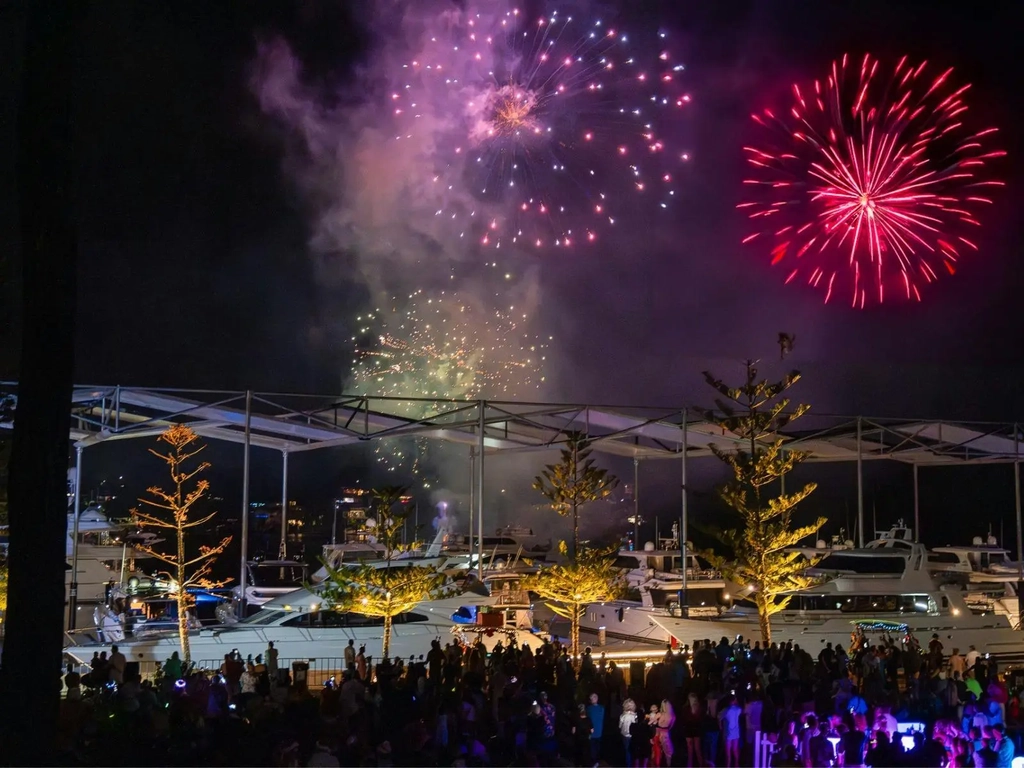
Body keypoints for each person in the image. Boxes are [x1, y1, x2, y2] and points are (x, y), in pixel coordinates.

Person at [680, 692, 705, 768]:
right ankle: (690, 765)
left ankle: (701, 765)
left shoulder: (699, 708)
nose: (693, 700)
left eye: (694, 699)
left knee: (697, 749)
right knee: (690, 749)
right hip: (688, 729)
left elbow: (701, 719)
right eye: (691, 699)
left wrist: (695, 711)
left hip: (696, 729)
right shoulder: (686, 708)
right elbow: (684, 719)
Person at [720, 696, 742, 768]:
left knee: (728, 751)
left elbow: (718, 717)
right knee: (735, 749)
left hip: (728, 732)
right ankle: (736, 764)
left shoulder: (726, 710)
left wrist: (720, 726)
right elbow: (741, 710)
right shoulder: (738, 709)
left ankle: (728, 765)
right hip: (736, 732)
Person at [630, 703, 655, 768]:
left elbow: (631, 733)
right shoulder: (646, 726)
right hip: (644, 745)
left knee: (637, 758)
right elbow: (651, 735)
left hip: (636, 745)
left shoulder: (633, 725)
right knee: (645, 757)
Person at [586, 692, 605, 763]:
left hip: (592, 732)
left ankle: (594, 761)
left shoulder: (589, 708)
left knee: (593, 747)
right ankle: (596, 761)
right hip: (598, 731)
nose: (592, 700)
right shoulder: (602, 708)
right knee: (596, 747)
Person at [656, 699, 675, 768]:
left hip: (660, 735)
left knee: (661, 753)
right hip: (667, 734)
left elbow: (658, 724)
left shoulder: (662, 715)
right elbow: (670, 727)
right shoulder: (673, 716)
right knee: (668, 753)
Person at [620, 698, 638, 767]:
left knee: (627, 750)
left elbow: (619, 726)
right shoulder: (635, 715)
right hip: (632, 735)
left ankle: (628, 765)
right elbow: (636, 726)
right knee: (632, 750)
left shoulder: (622, 716)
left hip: (625, 735)